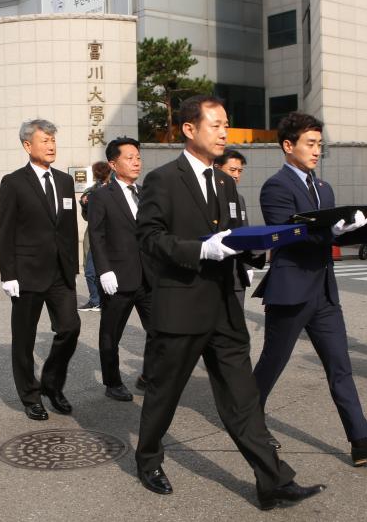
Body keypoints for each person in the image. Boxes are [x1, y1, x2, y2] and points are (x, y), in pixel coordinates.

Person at [136, 95, 324, 509]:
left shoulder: (225, 181)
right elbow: (149, 240)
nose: (224, 132)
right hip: (181, 308)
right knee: (164, 394)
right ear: (189, 129)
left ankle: (272, 480)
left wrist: (264, 247)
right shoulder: (162, 180)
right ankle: (147, 458)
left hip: (224, 308)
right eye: (216, 124)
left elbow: (236, 236)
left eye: (227, 125)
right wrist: (201, 250)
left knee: (242, 399)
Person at [252, 112, 367, 467]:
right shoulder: (275, 187)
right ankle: (248, 420)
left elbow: (340, 232)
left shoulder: (324, 188)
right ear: (288, 146)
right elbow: (286, 235)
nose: (317, 150)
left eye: (320, 144)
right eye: (310, 143)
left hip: (324, 292)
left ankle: (360, 441)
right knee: (273, 363)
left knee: (341, 366)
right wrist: (330, 233)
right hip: (290, 291)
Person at [0, 119, 80, 420]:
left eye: (53, 140)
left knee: (70, 328)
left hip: (60, 272)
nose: (51, 145)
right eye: (44, 140)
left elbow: (68, 228)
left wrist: (72, 266)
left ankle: (52, 384)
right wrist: (8, 275)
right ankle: (30, 395)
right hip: (27, 273)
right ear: (27, 145)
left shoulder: (64, 181)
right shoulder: (14, 182)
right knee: (24, 340)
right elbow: (5, 231)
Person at [87, 137, 153, 401]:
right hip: (117, 277)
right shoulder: (101, 196)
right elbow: (97, 234)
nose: (136, 161)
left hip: (148, 277)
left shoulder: (145, 193)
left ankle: (149, 375)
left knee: (159, 330)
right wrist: (104, 270)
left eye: (138, 156)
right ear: (113, 164)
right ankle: (112, 383)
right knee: (110, 334)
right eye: (129, 157)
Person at [214, 149, 262, 306]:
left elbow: (244, 231)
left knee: (236, 322)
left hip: (237, 274)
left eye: (239, 171)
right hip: (214, 274)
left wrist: (248, 266)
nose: (236, 175)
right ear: (216, 168)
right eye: (232, 170)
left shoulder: (239, 198)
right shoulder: (207, 199)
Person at [78, 161, 111, 311]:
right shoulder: (91, 191)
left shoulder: (115, 188)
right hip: (94, 233)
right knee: (91, 269)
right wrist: (84, 203)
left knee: (97, 268)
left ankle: (100, 300)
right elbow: (87, 216)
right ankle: (96, 300)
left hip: (109, 234)